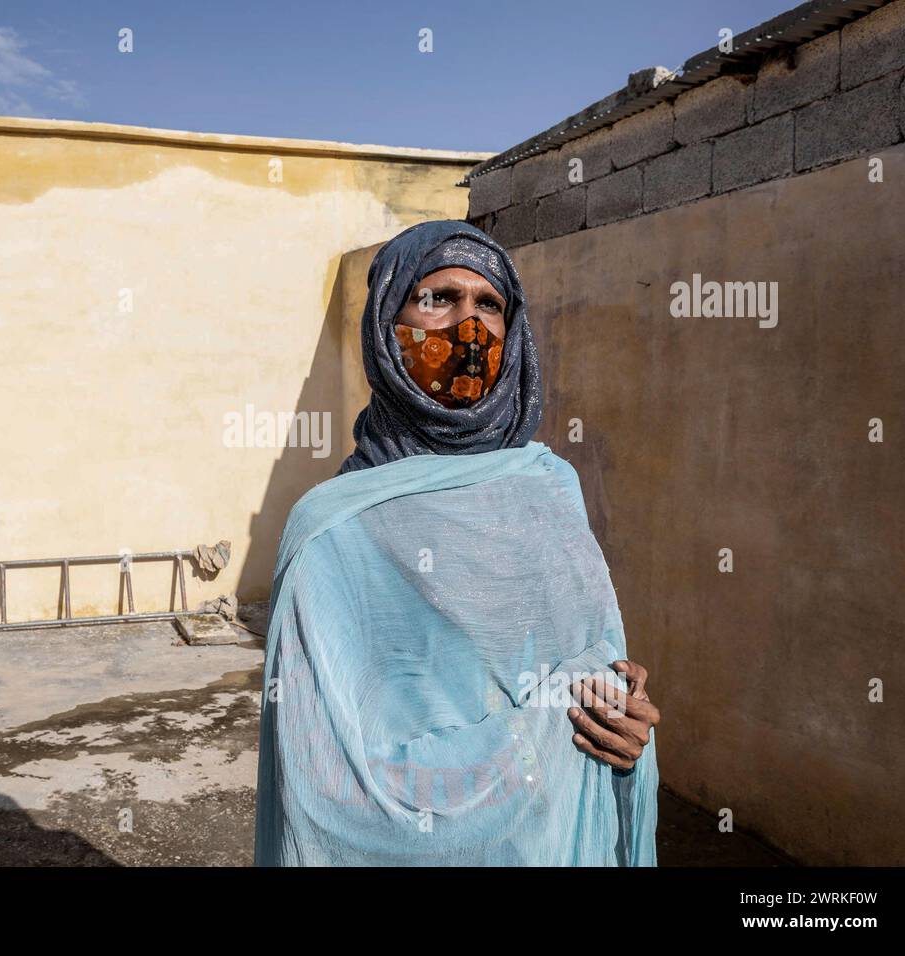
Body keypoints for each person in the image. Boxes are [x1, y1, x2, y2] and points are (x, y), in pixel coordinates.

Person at [253, 220, 660, 866]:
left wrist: (621, 711)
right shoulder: (332, 530)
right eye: (438, 298)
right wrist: (536, 743)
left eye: (489, 304)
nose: (468, 326)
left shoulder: (549, 488)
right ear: (388, 326)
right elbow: (322, 788)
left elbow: (582, 663)